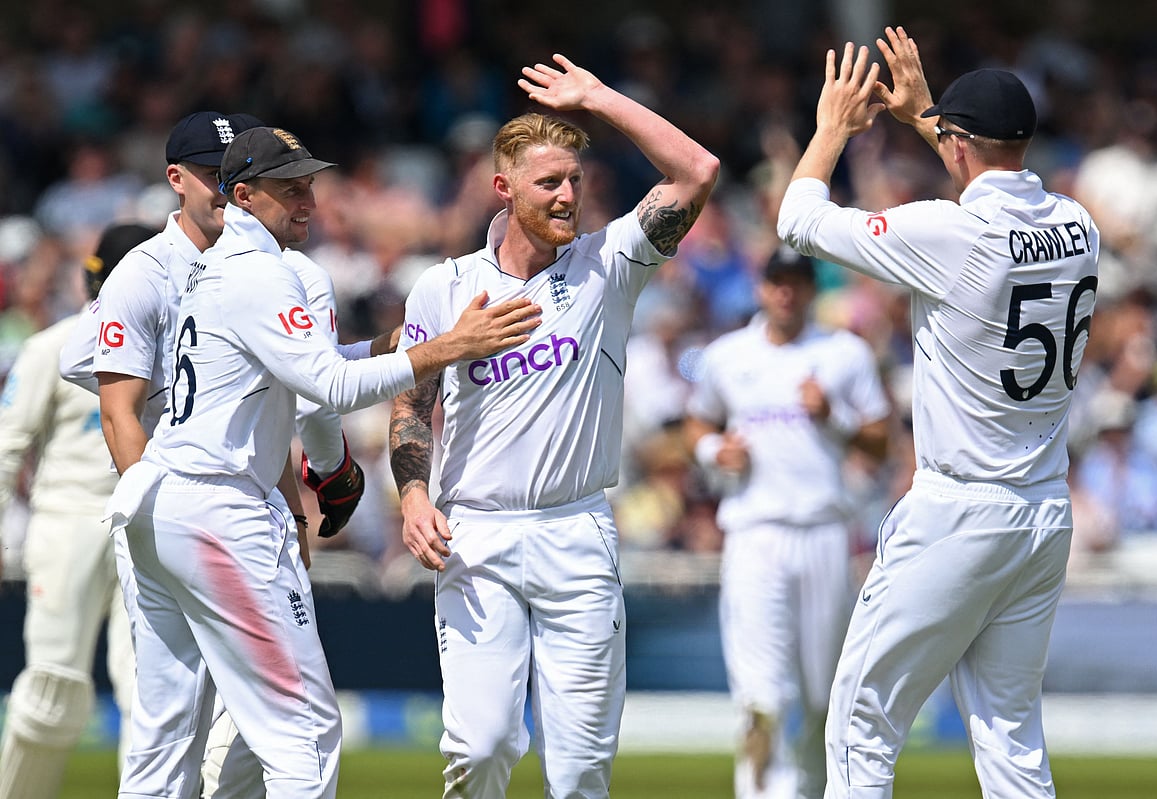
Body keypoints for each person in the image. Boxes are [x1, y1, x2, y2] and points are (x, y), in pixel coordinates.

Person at [103, 125, 539, 799]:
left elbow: (302, 376)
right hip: (219, 507)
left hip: (162, 504)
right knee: (303, 728)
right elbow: (328, 388)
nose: (307, 201)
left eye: (309, 184)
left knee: (165, 741)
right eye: (289, 189)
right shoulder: (268, 274)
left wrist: (393, 352)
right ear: (242, 195)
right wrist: (448, 347)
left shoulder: (213, 266)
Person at [774, 28, 1100, 798]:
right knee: (1011, 734)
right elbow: (998, 181)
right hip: (1043, 511)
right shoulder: (1079, 224)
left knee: (860, 722)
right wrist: (931, 117)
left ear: (956, 147)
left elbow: (798, 222)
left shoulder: (951, 232)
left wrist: (830, 129)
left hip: (958, 511)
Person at [388, 53, 719, 798]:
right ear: (503, 188)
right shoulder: (444, 287)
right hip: (475, 533)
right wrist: (414, 496)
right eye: (550, 183)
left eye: (575, 181)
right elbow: (411, 402)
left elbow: (697, 170)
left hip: (577, 532)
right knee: (482, 745)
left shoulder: (610, 264)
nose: (568, 196)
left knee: (578, 772)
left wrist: (599, 98)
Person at [56, 110, 387, 798]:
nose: (221, 185)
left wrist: (293, 510)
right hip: (184, 500)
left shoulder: (278, 269)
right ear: (178, 179)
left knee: (240, 714)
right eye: (213, 173)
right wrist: (171, 499)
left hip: (227, 499)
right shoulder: (146, 270)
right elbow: (112, 402)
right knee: (183, 724)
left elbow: (285, 397)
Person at [683, 247, 890, 799]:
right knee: (762, 694)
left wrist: (833, 416)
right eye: (777, 281)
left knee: (823, 693)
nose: (786, 293)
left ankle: (816, 787)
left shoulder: (844, 354)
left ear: (811, 289)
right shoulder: (728, 355)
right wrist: (712, 452)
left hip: (822, 532)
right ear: (761, 287)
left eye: (797, 282)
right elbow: (698, 422)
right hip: (754, 534)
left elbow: (880, 437)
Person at [0, 222, 156, 799]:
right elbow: (6, 446)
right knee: (52, 689)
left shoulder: (171, 351)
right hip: (68, 521)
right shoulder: (53, 348)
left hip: (144, 523)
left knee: (150, 690)